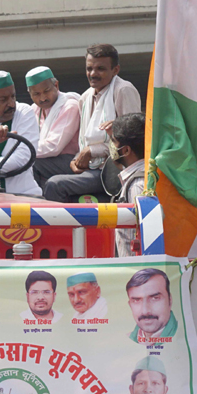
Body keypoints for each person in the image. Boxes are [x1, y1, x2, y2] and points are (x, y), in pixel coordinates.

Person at [44, 44, 142, 202]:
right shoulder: (84, 97)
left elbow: (133, 143)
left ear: (115, 70)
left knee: (55, 185)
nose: (93, 74)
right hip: (89, 165)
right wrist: (76, 160)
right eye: (89, 69)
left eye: (100, 69)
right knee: (37, 163)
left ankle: (56, 225)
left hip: (111, 168)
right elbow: (84, 142)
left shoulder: (123, 90)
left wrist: (92, 151)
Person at [25, 66, 80, 189]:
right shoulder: (33, 109)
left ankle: (35, 203)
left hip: (70, 161)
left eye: (46, 91)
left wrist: (23, 150)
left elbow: (54, 147)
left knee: (31, 163)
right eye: (37, 94)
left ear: (56, 85)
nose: (43, 98)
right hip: (47, 160)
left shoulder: (69, 106)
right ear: (30, 94)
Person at [110, 113, 147, 257]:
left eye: (113, 141)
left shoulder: (138, 185)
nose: (111, 147)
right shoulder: (143, 176)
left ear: (125, 150)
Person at [126, 268, 178, 342]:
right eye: (136, 300)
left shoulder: (181, 333)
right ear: (130, 305)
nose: (145, 311)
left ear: (169, 300)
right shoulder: (127, 339)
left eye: (155, 298)